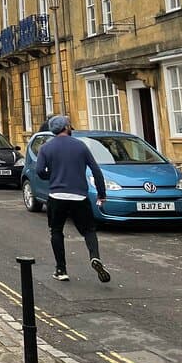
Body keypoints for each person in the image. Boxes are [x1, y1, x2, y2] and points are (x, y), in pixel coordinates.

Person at [35, 115, 111, 283]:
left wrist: (52, 176)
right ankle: (94, 257)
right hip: (79, 196)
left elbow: (39, 171)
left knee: (56, 231)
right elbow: (96, 171)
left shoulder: (46, 148)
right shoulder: (80, 146)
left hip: (56, 196)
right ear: (66, 127)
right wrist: (101, 194)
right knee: (89, 230)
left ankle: (61, 269)